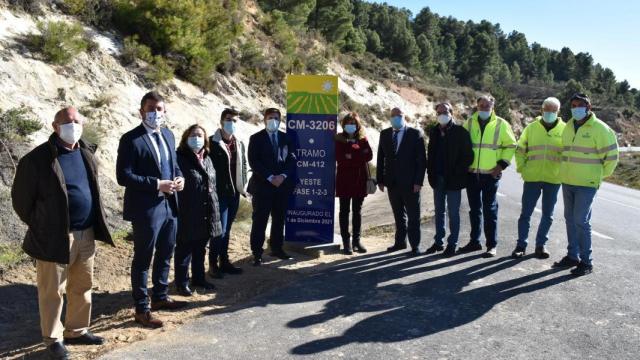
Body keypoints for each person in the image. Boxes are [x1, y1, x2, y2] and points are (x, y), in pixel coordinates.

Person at [11, 107, 114, 360]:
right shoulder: (36, 160)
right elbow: (21, 202)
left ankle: (77, 330)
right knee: (52, 290)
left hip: (86, 232)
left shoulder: (86, 152)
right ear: (55, 126)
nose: (73, 126)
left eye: (77, 121)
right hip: (55, 236)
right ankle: (54, 338)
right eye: (67, 122)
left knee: (82, 284)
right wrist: (44, 225)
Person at [116, 91, 186, 329]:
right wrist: (157, 184)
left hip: (170, 204)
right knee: (143, 258)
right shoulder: (131, 139)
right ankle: (142, 308)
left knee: (166, 252)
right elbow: (123, 176)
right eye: (151, 108)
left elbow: (174, 165)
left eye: (160, 109)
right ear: (141, 111)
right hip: (146, 208)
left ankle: (160, 296)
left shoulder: (168, 134)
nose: (156, 113)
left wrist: (180, 179)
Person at [553, 93, 618, 276]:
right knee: (570, 219)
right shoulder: (568, 127)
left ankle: (586, 262)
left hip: (587, 184)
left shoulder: (600, 129)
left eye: (579, 105)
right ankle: (572, 256)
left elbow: (612, 157)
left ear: (588, 107)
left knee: (581, 221)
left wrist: (597, 176)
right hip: (568, 181)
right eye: (573, 105)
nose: (575, 108)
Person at [459, 95, 517, 258]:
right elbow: (462, 146)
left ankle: (491, 245)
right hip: (472, 175)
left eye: (487, 106)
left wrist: (501, 166)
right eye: (481, 105)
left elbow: (511, 145)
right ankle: (474, 242)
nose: (484, 108)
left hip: (491, 175)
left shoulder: (501, 124)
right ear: (476, 106)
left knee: (490, 210)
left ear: (493, 107)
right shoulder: (469, 122)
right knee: (474, 210)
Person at [512, 97, 566, 259]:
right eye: (547, 110)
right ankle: (521, 245)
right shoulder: (531, 128)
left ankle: (541, 245)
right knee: (525, 214)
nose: (550, 113)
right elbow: (520, 150)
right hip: (532, 178)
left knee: (548, 215)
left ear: (558, 112)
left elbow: (569, 154)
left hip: (553, 179)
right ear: (541, 110)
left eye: (553, 111)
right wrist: (522, 169)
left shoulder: (565, 130)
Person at [174, 125, 223, 296]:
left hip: (207, 210)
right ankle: (181, 283)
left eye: (200, 135)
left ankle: (199, 278)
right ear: (186, 138)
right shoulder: (179, 157)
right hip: (188, 210)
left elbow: (212, 184)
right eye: (193, 135)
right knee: (184, 249)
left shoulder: (207, 158)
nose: (197, 138)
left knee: (200, 247)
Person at [247, 108, 296, 266]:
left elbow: (292, 159)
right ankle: (257, 253)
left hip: (282, 186)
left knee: (279, 219)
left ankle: (277, 248)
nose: (273, 120)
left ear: (280, 120)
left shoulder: (286, 138)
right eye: (270, 117)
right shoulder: (256, 138)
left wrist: (282, 176)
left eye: (276, 118)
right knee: (260, 221)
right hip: (262, 187)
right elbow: (254, 161)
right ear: (264, 119)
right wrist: (269, 177)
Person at [424, 102, 474, 257]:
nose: (442, 115)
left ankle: (452, 244)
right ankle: (438, 242)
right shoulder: (434, 131)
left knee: (453, 213)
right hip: (437, 179)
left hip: (454, 181)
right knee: (439, 212)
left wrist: (457, 173)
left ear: (452, 112)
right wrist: (430, 173)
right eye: (439, 112)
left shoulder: (461, 132)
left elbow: (468, 156)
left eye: (445, 111)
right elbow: (431, 155)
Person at [376, 107, 427, 256]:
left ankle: (415, 246)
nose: (395, 118)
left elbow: (421, 161)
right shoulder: (384, 134)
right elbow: (381, 158)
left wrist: (418, 182)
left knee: (413, 216)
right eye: (393, 116)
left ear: (405, 117)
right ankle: (400, 242)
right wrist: (380, 179)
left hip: (411, 183)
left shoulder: (415, 134)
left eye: (398, 115)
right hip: (392, 183)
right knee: (398, 215)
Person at [208, 108, 248, 277]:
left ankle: (224, 261)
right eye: (228, 119)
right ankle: (212, 264)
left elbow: (243, 166)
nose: (231, 123)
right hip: (219, 194)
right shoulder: (211, 142)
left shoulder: (239, 143)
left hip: (234, 193)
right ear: (221, 121)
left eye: (235, 120)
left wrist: (243, 186)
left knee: (228, 229)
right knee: (219, 230)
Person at [335, 112, 373, 254]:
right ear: (343, 125)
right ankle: (346, 242)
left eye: (353, 123)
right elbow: (340, 158)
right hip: (344, 180)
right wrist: (357, 155)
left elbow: (369, 155)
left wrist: (351, 155)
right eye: (348, 123)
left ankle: (357, 241)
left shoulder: (363, 139)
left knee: (357, 211)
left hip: (359, 180)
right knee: (344, 211)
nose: (350, 126)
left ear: (357, 125)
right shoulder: (338, 139)